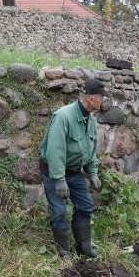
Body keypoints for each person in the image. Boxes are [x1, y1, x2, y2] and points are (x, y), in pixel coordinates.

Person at [39, 78, 106, 260]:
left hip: (74, 171)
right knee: (59, 212)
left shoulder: (89, 119)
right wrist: (59, 179)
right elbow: (55, 150)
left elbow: (89, 148)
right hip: (54, 172)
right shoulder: (63, 116)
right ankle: (64, 254)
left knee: (85, 206)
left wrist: (92, 171)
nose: (103, 100)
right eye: (101, 97)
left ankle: (84, 247)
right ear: (91, 99)